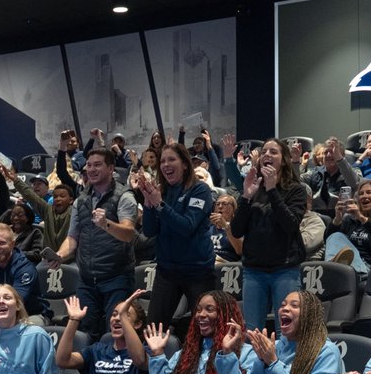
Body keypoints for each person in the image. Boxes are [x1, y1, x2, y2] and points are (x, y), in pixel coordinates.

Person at [54, 147, 138, 339]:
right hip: (87, 280)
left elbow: (128, 233)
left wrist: (106, 224)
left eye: (97, 165)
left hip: (116, 278)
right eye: (89, 165)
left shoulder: (125, 196)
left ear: (111, 168)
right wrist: (59, 255)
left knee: (116, 333)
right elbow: (72, 238)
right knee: (85, 334)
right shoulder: (80, 200)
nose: (91, 169)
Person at [134, 142, 216, 327]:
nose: (165, 165)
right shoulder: (161, 191)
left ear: (185, 164)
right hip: (167, 271)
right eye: (162, 161)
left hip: (198, 272)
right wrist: (148, 204)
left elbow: (187, 226)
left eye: (171, 159)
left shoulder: (200, 190)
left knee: (204, 329)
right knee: (154, 328)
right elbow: (149, 231)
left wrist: (160, 205)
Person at [232, 139, 306, 331]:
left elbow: (290, 225)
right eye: (264, 151)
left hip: (285, 269)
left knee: (287, 332)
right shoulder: (252, 188)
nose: (267, 155)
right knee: (252, 332)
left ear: (283, 161)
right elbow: (236, 230)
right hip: (254, 271)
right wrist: (246, 197)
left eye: (273, 152)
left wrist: (273, 190)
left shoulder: (296, 190)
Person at [51, 290, 149, 374]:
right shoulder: (97, 350)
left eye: (125, 315)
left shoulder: (144, 352)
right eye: (114, 314)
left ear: (137, 324)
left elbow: (140, 360)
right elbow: (63, 361)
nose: (117, 319)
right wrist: (73, 320)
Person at [0, 220, 49, 322]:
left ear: (12, 244)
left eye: (2, 243)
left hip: (31, 315)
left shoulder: (25, 268)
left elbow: (16, 304)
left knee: (28, 329)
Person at [323, 179, 371, 275]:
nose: (364, 196)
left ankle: (331, 270)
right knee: (336, 236)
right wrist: (337, 218)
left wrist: (361, 217)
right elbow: (328, 240)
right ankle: (333, 268)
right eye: (361, 193)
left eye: (369, 192)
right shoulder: (349, 220)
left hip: (369, 267)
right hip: (347, 267)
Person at [7, 163, 74, 255]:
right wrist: (15, 179)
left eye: (62, 196)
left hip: (70, 259)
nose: (58, 199)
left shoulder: (75, 213)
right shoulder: (48, 211)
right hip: (48, 259)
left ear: (71, 200)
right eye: (55, 196)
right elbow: (30, 195)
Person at [303, 138, 360, 217]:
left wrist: (339, 159)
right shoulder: (314, 172)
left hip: (342, 215)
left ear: (342, 155)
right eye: (326, 152)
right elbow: (295, 182)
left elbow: (353, 182)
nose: (328, 155)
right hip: (317, 216)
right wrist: (295, 161)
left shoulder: (354, 172)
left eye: (333, 152)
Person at [209, 193, 242, 263]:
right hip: (206, 261)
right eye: (217, 204)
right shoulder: (207, 228)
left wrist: (226, 226)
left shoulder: (239, 228)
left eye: (225, 204)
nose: (220, 207)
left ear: (233, 209)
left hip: (226, 265)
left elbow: (240, 251)